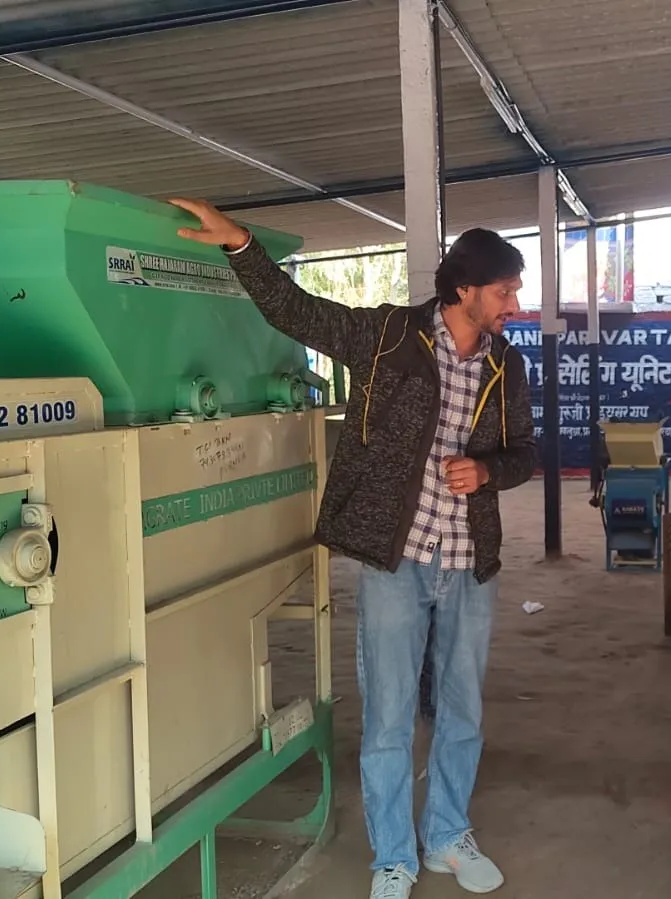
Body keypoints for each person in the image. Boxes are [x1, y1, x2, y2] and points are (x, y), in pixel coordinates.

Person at [170, 198, 535, 899]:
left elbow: (525, 450)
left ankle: (448, 834)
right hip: (393, 563)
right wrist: (242, 245)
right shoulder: (390, 336)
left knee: (462, 712)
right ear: (464, 288)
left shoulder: (505, 366)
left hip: (469, 563)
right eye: (505, 290)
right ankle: (393, 854)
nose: (513, 303)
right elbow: (297, 312)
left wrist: (489, 470)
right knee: (389, 716)